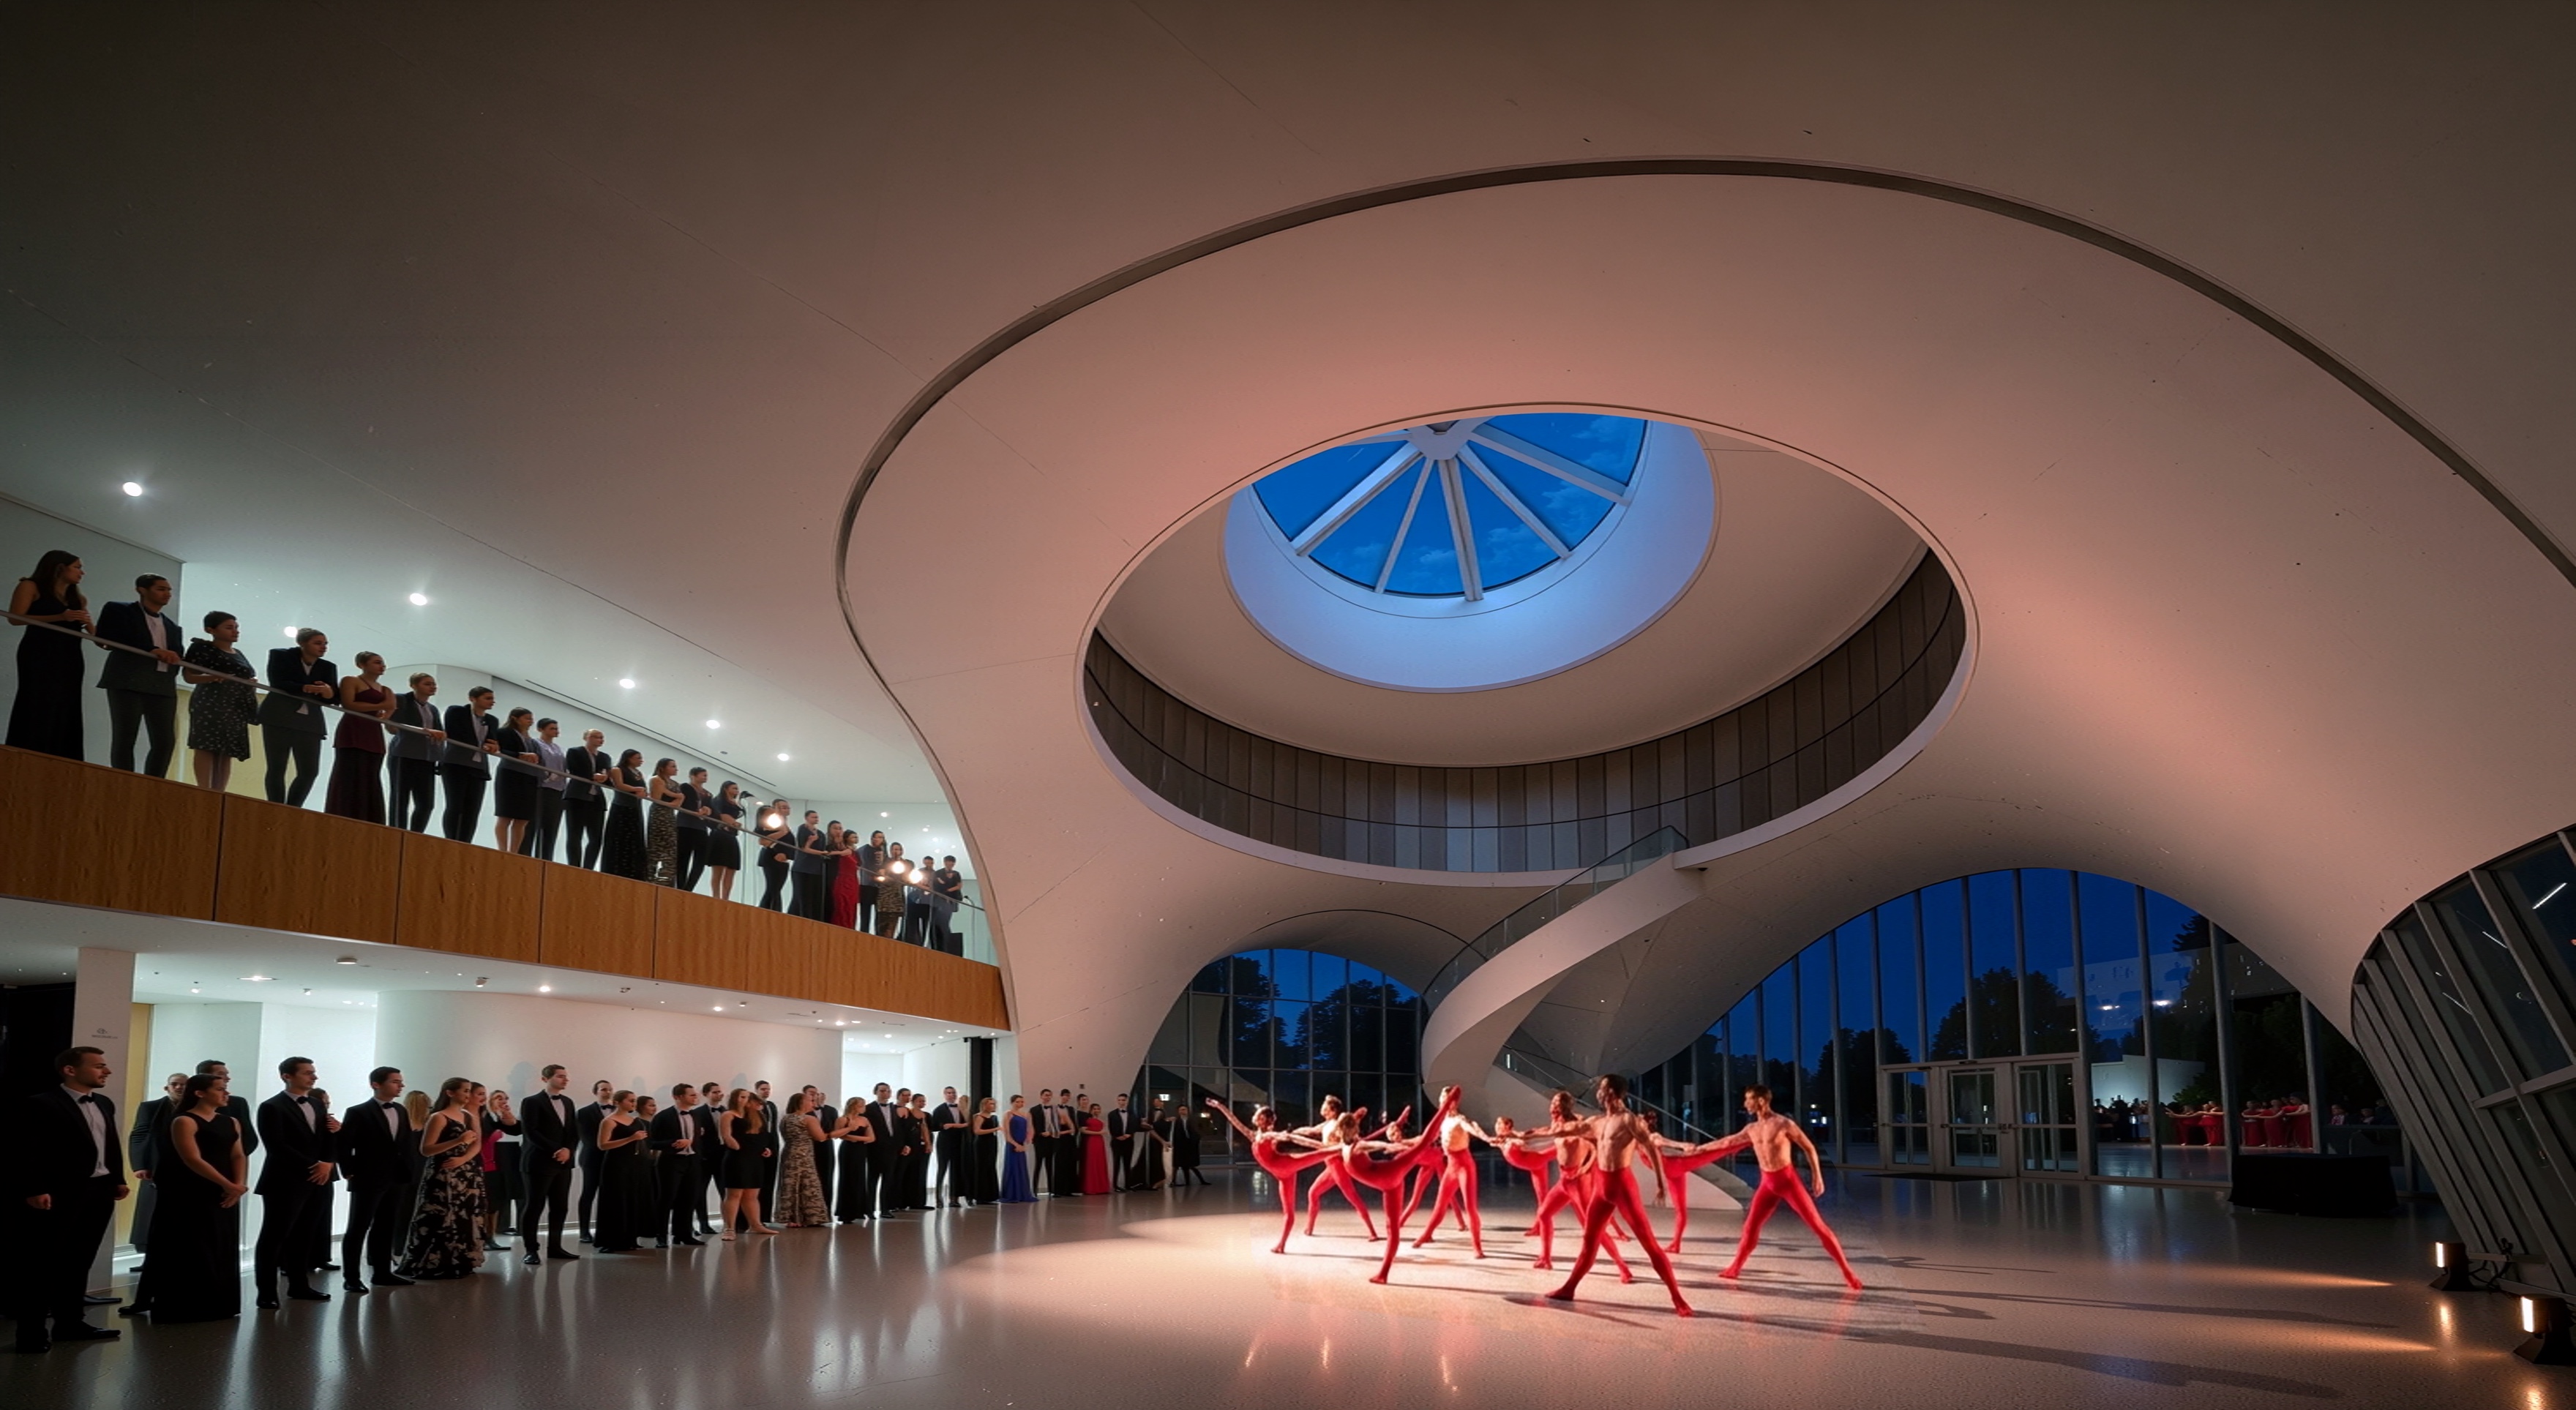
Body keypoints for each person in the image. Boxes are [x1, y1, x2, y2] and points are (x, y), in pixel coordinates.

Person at [1517, 1075, 1695, 1315]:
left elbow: (1651, 1147)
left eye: (1601, 1089)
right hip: (1602, 1188)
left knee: (1650, 1245)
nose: (1598, 1093)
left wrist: (1660, 1184)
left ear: (1611, 1092)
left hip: (1623, 1187)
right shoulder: (1597, 1122)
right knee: (1589, 1243)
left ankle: (1677, 1298)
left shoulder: (1629, 1121)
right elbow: (1560, 1130)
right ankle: (1569, 1288)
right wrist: (1522, 1136)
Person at [7, 1046, 128, 1351]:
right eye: (99, 1066)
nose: (107, 1071)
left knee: (79, 1261)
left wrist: (118, 1179)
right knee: (42, 1265)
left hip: (99, 1192)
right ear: (70, 1070)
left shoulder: (104, 1103)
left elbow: (109, 1143)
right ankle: (31, 1335)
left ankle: (70, 1324)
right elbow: (26, 1151)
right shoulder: (40, 1104)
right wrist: (34, 1188)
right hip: (58, 1194)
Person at [1685, 1084, 1861, 1289]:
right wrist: (1699, 1149)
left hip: (1788, 1181)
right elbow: (1726, 1142)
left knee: (1819, 1227)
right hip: (1767, 1184)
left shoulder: (1784, 1124)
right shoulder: (1752, 1129)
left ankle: (1848, 1272)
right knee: (1750, 1228)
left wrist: (1818, 1177)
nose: (1745, 1103)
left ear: (1760, 1101)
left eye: (1748, 1099)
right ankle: (1735, 1267)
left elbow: (1809, 1147)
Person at [141, 1072, 246, 1324]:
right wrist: (228, 1184)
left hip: (223, 1193)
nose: (226, 1093)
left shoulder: (231, 1122)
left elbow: (238, 1155)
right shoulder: (184, 1121)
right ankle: (188, 1306)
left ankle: (220, 1303)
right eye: (220, 1089)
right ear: (200, 1093)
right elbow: (192, 1159)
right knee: (193, 1246)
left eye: (226, 1088)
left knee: (220, 1243)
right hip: (191, 1193)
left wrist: (238, 1185)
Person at [252, 1055, 340, 1308]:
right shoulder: (272, 1106)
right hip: (285, 1180)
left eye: (314, 1072)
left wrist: (328, 1162)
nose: (314, 1076)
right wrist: (315, 1165)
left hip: (320, 1178)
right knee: (274, 1236)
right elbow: (277, 1146)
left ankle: (300, 1285)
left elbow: (329, 1136)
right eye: (307, 1073)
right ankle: (266, 1292)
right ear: (287, 1076)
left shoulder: (317, 1104)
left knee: (305, 1235)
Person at [94, 572, 183, 776]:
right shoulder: (119, 609)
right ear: (142, 590)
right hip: (128, 679)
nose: (167, 594)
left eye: (169, 590)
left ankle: (154, 783)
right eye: (161, 589)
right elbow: (110, 636)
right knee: (126, 735)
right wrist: (152, 649)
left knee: (165, 741)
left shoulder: (173, 626)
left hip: (162, 684)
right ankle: (123, 780)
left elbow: (178, 654)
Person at [339, 1066, 417, 1294]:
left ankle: (382, 1273)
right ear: (376, 1084)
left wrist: (409, 1171)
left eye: (401, 1082)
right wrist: (348, 1171)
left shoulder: (401, 1110)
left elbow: (404, 1144)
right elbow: (345, 1144)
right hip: (367, 1177)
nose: (401, 1085)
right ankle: (351, 1277)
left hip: (396, 1177)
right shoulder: (358, 1111)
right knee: (358, 1227)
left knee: (386, 1226)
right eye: (395, 1082)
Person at [6, 550, 90, 761]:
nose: (82, 572)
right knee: (37, 698)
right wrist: (60, 617)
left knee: (67, 702)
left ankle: (62, 757)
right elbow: (15, 618)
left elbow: (97, 636)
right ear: (60, 567)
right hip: (39, 651)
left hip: (70, 654)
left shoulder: (77, 598)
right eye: (77, 567)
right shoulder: (30, 586)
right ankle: (28, 752)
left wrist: (88, 622)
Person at [398, 1078, 484, 1280]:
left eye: (469, 1091)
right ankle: (433, 1262)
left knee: (463, 1215)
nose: (467, 1095)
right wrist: (458, 1141)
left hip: (465, 1171)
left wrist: (463, 1158)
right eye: (464, 1090)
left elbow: (476, 1145)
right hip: (442, 1173)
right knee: (439, 1216)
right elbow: (426, 1149)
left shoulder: (468, 1116)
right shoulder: (438, 1117)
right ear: (450, 1093)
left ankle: (459, 1260)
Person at [121, 1071, 186, 1316]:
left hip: (184, 1173)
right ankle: (149, 1260)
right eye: (175, 1084)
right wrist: (139, 1165)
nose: (179, 1088)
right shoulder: (151, 1107)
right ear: (166, 1087)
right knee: (152, 1218)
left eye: (184, 1085)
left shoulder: (196, 1108)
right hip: (155, 1171)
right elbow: (138, 1134)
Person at [258, 626, 338, 806]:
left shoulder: (328, 667)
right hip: (278, 717)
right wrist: (305, 688)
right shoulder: (281, 655)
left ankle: (294, 807)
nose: (323, 647)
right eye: (318, 643)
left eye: (325, 644)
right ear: (302, 643)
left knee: (310, 771)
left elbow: (334, 697)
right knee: (277, 766)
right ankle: (275, 805)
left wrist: (327, 692)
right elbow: (278, 681)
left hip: (310, 722)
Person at [181, 612, 260, 792]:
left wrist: (249, 684)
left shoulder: (239, 653)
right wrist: (213, 677)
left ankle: (219, 791)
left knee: (227, 750)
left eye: (236, 627)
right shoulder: (202, 648)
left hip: (235, 704)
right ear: (211, 630)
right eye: (229, 627)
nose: (235, 631)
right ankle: (204, 788)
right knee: (206, 745)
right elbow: (189, 677)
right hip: (211, 701)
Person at [1405, 1108, 1493, 1256]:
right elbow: (1426, 1138)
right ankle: (1427, 1234)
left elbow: (1473, 1128)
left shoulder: (1460, 1119)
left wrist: (1487, 1138)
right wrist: (1403, 1142)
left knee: (1470, 1207)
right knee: (1440, 1206)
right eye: (1442, 1098)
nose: (1443, 1101)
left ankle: (1477, 1247)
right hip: (1452, 1166)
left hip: (1465, 1165)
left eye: (1446, 1098)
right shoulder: (1443, 1121)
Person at [517, 1065, 580, 1265]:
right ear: (545, 1079)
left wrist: (569, 1150)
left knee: (560, 1206)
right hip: (539, 1162)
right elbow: (532, 1132)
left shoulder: (568, 1102)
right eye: (560, 1076)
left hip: (563, 1163)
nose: (565, 1080)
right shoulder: (531, 1102)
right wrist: (556, 1150)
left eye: (566, 1076)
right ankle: (531, 1250)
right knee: (534, 1206)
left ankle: (555, 1247)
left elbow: (572, 1131)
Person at [323, 651, 394, 822]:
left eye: (383, 663)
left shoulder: (385, 689)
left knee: (371, 774)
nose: (382, 666)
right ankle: (342, 813)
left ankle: (369, 818)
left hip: (373, 733)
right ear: (362, 665)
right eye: (377, 662)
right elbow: (349, 704)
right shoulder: (351, 680)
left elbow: (390, 708)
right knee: (348, 772)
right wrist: (380, 706)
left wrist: (382, 712)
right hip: (353, 730)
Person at [590, 1092, 655, 1252]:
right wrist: (630, 1139)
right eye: (631, 1101)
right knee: (617, 1200)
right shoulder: (609, 1121)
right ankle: (612, 1241)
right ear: (618, 1102)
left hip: (637, 1165)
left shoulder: (637, 1121)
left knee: (634, 1200)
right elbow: (603, 1145)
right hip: (617, 1165)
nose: (634, 1104)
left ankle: (630, 1238)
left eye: (635, 1101)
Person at [383, 672, 446, 831]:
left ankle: (416, 834)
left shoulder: (433, 709)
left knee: (426, 803)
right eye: (427, 684)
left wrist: (440, 758)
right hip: (404, 754)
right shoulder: (402, 700)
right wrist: (422, 730)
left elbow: (439, 732)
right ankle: (397, 832)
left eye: (433, 684)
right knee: (400, 799)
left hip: (427, 758)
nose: (433, 686)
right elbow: (392, 727)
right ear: (414, 685)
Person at [438, 684, 498, 841]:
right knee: (455, 805)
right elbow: (454, 732)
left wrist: (492, 746)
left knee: (473, 809)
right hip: (456, 763)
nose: (492, 702)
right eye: (488, 698)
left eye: (492, 698)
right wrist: (481, 745)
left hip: (478, 767)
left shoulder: (492, 720)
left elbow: (492, 740)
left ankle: (466, 843)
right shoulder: (456, 711)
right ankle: (451, 839)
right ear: (473, 698)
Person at [716, 1090, 774, 1239]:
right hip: (737, 1158)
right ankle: (729, 1228)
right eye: (743, 1097)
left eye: (748, 1098)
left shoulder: (756, 1116)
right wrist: (736, 1147)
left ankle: (755, 1225)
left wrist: (765, 1149)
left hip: (754, 1159)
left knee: (752, 1194)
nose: (746, 1100)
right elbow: (726, 1135)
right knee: (734, 1194)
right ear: (735, 1099)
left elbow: (763, 1136)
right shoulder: (729, 1115)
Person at [775, 1093, 831, 1227]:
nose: (813, 1103)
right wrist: (843, 1131)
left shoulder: (785, 1118)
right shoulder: (809, 1119)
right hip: (803, 1155)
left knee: (791, 1184)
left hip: (789, 1153)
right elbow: (821, 1137)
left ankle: (791, 1217)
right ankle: (809, 1217)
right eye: (811, 1101)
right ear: (801, 1103)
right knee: (807, 1184)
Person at [490, 706, 539, 854]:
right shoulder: (505, 732)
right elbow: (501, 750)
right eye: (527, 718)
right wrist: (520, 755)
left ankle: (514, 851)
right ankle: (502, 849)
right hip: (510, 774)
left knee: (523, 818)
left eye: (531, 719)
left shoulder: (531, 739)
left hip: (529, 776)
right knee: (505, 815)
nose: (531, 722)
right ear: (515, 719)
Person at [479, 1087, 522, 1252]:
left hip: (495, 1164)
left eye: (505, 1098)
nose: (503, 1101)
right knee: (484, 1203)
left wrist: (505, 1114)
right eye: (498, 1098)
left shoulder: (498, 1118)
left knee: (495, 1203)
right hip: (481, 1163)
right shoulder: (485, 1117)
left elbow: (516, 1129)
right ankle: (481, 1237)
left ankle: (490, 1237)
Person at [562, 729, 611, 868]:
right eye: (596, 737)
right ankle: (574, 865)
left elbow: (607, 775)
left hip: (596, 799)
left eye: (602, 737)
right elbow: (574, 769)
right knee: (574, 834)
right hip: (577, 796)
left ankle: (588, 867)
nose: (600, 740)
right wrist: (593, 776)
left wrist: (605, 778)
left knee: (596, 837)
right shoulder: (575, 751)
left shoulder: (605, 757)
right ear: (586, 738)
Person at [600, 749, 650, 880]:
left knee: (634, 839)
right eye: (637, 758)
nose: (641, 761)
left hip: (635, 808)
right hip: (621, 807)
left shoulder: (639, 773)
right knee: (619, 838)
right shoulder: (618, 769)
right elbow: (619, 785)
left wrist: (643, 792)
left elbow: (644, 789)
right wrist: (635, 789)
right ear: (629, 758)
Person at [525, 718, 569, 860]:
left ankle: (546, 858)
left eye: (556, 728)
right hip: (541, 787)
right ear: (541, 729)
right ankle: (525, 855)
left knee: (551, 826)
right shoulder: (535, 743)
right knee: (533, 824)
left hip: (558, 789)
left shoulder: (559, 748)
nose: (556, 731)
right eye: (552, 728)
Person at [574, 1078, 613, 1242]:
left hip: (614, 1159)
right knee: (589, 1193)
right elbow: (586, 1137)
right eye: (604, 1089)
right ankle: (584, 1231)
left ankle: (607, 1230)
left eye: (610, 1089)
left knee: (610, 1195)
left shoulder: (619, 1111)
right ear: (596, 1092)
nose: (608, 1092)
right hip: (592, 1158)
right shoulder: (584, 1112)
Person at [863, 1084, 905, 1215]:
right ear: (875, 1092)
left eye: (888, 1091)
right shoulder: (868, 1109)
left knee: (889, 1179)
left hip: (892, 1148)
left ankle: (885, 1209)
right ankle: (869, 1209)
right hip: (874, 1148)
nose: (886, 1093)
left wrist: (902, 1145)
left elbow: (897, 1128)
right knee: (872, 1179)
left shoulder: (893, 1108)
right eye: (882, 1091)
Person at [834, 1098, 877, 1222]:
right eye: (861, 1105)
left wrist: (851, 1137)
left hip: (861, 1150)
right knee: (848, 1178)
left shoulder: (864, 1120)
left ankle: (860, 1210)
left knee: (860, 1178)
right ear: (853, 1106)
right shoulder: (842, 1119)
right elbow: (837, 1135)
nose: (864, 1107)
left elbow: (872, 1138)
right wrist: (853, 1136)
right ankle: (846, 1212)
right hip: (848, 1151)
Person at [673, 765, 714, 892]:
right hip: (685, 825)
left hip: (701, 828)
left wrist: (707, 810)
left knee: (700, 859)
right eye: (703, 775)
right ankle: (680, 885)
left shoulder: (708, 794)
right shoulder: (685, 787)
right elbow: (685, 803)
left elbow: (711, 809)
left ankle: (689, 887)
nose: (706, 777)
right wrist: (697, 811)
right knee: (683, 857)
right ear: (693, 776)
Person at [644, 757, 684, 887]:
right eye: (672, 766)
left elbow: (677, 805)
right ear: (663, 768)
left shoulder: (676, 784)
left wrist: (675, 798)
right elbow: (656, 798)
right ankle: (650, 878)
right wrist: (677, 796)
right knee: (656, 845)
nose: (676, 769)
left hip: (669, 816)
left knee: (670, 846)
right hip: (658, 815)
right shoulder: (656, 779)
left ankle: (666, 880)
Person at [705, 779, 745, 899]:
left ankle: (726, 897)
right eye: (734, 788)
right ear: (725, 789)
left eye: (737, 788)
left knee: (731, 867)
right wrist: (733, 823)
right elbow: (721, 816)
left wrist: (734, 824)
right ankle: (716, 896)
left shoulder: (736, 804)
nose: (737, 791)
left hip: (731, 835)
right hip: (720, 834)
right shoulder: (718, 801)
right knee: (718, 868)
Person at [932, 1087, 970, 1207]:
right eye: (949, 1093)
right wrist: (944, 1126)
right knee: (942, 1169)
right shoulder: (939, 1110)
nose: (952, 1095)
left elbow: (967, 1124)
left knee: (957, 1170)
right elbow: (934, 1126)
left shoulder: (961, 1109)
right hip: (944, 1143)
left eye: (954, 1093)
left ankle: (954, 1199)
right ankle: (938, 1199)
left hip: (959, 1142)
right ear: (944, 1095)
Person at [755, 801, 793, 911]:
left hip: (783, 860)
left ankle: (774, 911)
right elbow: (763, 841)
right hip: (771, 857)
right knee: (773, 888)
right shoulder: (765, 826)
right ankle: (768, 911)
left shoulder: (782, 824)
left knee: (776, 888)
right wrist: (782, 832)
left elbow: (790, 841)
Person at [790, 810, 827, 919]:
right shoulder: (803, 829)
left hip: (816, 868)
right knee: (801, 896)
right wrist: (811, 842)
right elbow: (804, 848)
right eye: (813, 817)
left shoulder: (820, 833)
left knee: (814, 896)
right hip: (803, 867)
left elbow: (822, 849)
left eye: (817, 817)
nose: (816, 819)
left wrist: (821, 852)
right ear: (807, 818)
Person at [1000, 1096, 1036, 1203]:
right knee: (1012, 1168)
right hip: (1012, 1146)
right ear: (1012, 1103)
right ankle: (1011, 1194)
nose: (1020, 1104)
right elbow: (1007, 1133)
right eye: (1017, 1102)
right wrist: (1016, 1144)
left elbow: (1030, 1129)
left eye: (1022, 1102)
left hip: (1022, 1145)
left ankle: (1022, 1193)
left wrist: (1026, 1143)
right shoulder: (1008, 1114)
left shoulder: (1026, 1114)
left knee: (1021, 1168)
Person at [873, 842, 909, 939]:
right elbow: (880, 875)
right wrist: (883, 876)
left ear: (901, 851)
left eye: (898, 849)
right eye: (894, 849)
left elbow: (907, 879)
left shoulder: (906, 863)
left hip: (897, 896)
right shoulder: (886, 862)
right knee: (882, 923)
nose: (896, 851)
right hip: (885, 896)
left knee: (893, 923)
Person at [825, 822, 858, 926]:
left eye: (840, 829)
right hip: (840, 879)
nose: (839, 831)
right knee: (841, 906)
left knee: (851, 906)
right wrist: (840, 852)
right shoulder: (831, 845)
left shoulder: (852, 851)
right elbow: (825, 854)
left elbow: (857, 864)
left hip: (853, 881)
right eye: (836, 828)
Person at [930, 856, 965, 954]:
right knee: (939, 921)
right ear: (945, 862)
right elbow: (935, 886)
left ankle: (946, 942)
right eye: (949, 862)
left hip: (951, 899)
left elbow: (959, 886)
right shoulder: (938, 873)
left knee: (946, 919)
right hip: (940, 900)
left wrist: (948, 890)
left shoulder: (956, 874)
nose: (950, 864)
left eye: (952, 863)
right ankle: (941, 942)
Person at [1106, 1092, 1140, 1192]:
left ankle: (1128, 1185)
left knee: (1127, 1162)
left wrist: (1129, 1134)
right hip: (1117, 1141)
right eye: (1120, 1100)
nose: (1121, 1102)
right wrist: (1117, 1136)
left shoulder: (1132, 1114)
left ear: (1127, 1101)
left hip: (1129, 1141)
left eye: (1123, 1100)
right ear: (1117, 1101)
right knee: (1116, 1163)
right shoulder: (1112, 1114)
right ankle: (1116, 1185)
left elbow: (1135, 1126)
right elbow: (1111, 1127)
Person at [970, 1097, 1002, 1204]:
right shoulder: (979, 1117)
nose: (993, 1106)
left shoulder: (994, 1117)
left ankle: (991, 1196)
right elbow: (977, 1131)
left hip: (992, 1142)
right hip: (982, 1144)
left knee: (990, 1166)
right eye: (991, 1104)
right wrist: (995, 1129)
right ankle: (981, 1196)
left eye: (994, 1104)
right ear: (985, 1105)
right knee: (982, 1168)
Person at [1169, 1095, 1207, 1186]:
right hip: (1180, 1146)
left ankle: (1198, 1181)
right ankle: (1173, 1181)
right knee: (1177, 1164)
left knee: (1190, 1165)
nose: (1182, 1112)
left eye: (1184, 1110)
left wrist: (1196, 1140)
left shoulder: (1193, 1120)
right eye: (1181, 1110)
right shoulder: (1176, 1121)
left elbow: (1199, 1130)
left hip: (1190, 1145)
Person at [1080, 1101, 1114, 1196]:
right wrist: (1099, 1133)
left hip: (1100, 1141)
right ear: (1091, 1110)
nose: (1097, 1111)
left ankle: (1102, 1187)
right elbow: (1083, 1130)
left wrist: (1100, 1134)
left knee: (1100, 1162)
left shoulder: (1100, 1120)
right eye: (1095, 1109)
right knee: (1093, 1162)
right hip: (1092, 1141)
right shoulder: (1087, 1119)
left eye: (1098, 1109)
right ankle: (1092, 1187)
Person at [855, 829, 886, 931]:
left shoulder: (883, 851)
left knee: (879, 914)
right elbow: (864, 865)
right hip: (866, 885)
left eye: (881, 837)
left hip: (879, 886)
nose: (879, 839)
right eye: (877, 837)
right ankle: (864, 933)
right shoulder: (864, 849)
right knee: (865, 913)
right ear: (872, 838)